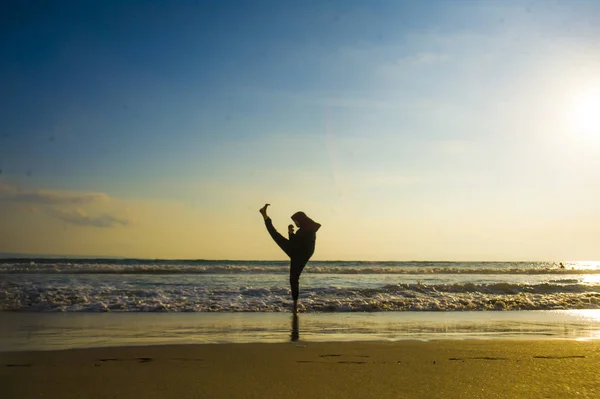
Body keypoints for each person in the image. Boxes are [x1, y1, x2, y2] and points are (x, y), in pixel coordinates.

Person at [259, 203, 321, 313]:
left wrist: (291, 234)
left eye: (295, 221)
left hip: (298, 253)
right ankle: (295, 304)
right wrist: (290, 233)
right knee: (294, 279)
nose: (295, 223)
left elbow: (296, 243)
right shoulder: (308, 229)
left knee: (275, 234)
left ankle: (265, 216)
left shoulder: (305, 231)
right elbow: (297, 242)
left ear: (300, 220)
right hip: (300, 253)